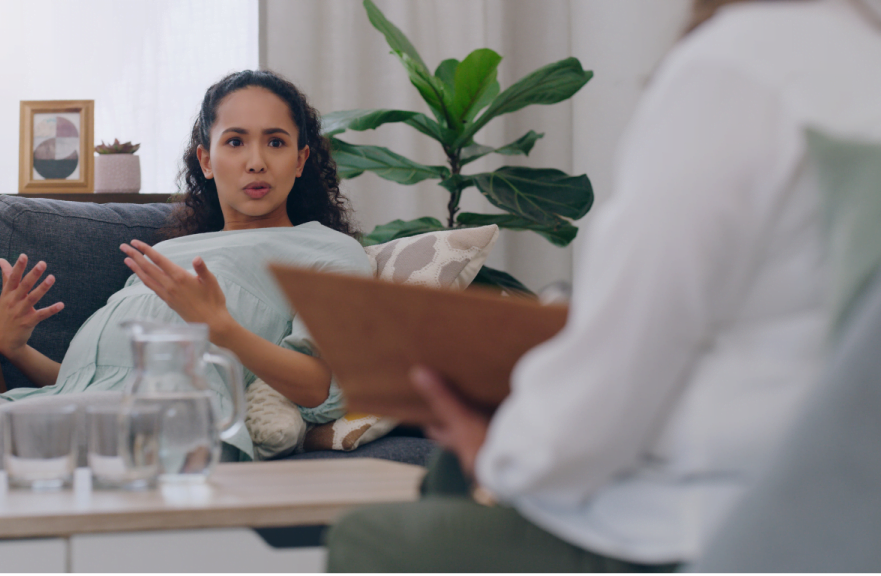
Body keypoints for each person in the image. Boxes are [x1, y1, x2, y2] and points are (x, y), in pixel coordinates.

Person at [325, 0, 881, 574]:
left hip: (706, 524)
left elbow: (629, 354)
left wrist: (504, 456)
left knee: (376, 539)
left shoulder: (736, 68)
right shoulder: (863, 58)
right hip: (836, 517)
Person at [0, 69, 370, 466]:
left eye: (275, 142)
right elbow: (93, 381)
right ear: (206, 160)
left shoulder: (329, 252)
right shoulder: (172, 254)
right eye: (235, 141)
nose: (256, 160)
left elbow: (320, 388)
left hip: (174, 425)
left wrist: (221, 328)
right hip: (57, 408)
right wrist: (14, 349)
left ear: (300, 159)